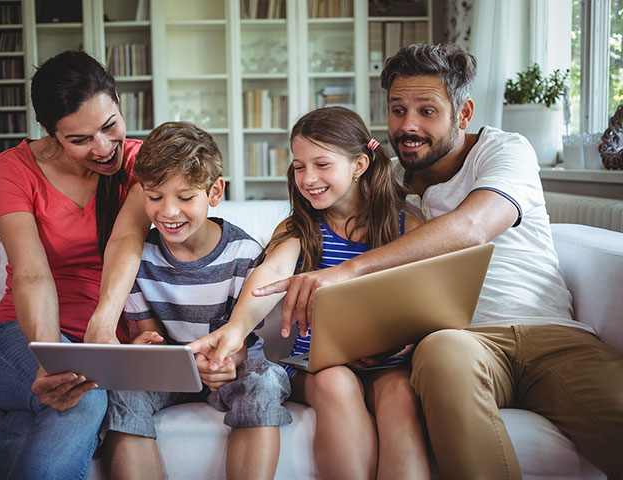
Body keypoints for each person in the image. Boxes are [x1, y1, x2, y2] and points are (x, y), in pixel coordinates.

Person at [249, 44, 623, 479]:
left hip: (552, 334)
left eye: (427, 111)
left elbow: (472, 229)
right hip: (458, 342)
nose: (409, 125)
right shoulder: (387, 191)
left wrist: (345, 272)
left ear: (462, 114)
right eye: (397, 109)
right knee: (441, 351)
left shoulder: (503, 151)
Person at [190, 106, 428, 480]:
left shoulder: (405, 222)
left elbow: (425, 298)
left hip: (386, 363)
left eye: (321, 164)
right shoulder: (302, 226)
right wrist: (235, 329)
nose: (308, 178)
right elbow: (270, 273)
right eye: (299, 166)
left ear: (359, 165)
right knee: (337, 382)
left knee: (401, 396)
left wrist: (405, 344)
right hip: (315, 364)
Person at [0, 50, 150, 479]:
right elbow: (31, 272)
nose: (104, 148)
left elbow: (126, 241)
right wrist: (51, 357)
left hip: (98, 345)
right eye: (80, 139)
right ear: (50, 132)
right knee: (83, 396)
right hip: (15, 338)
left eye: (110, 127)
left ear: (119, 103)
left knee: (31, 429)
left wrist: (103, 328)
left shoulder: (141, 163)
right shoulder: (11, 170)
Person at [98, 121, 292, 480]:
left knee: (264, 379)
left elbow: (241, 339)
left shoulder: (243, 253)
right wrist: (147, 348)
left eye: (185, 197)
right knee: (123, 387)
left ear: (214, 192)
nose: (168, 212)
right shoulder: (138, 259)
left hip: (233, 364)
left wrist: (223, 363)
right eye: (154, 197)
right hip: (170, 368)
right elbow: (150, 333)